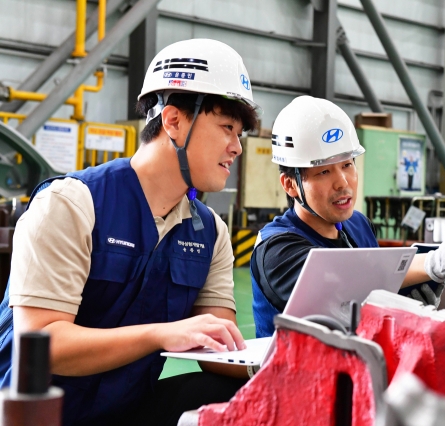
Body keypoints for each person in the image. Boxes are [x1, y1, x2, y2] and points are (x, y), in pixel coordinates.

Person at [0, 39, 260, 426]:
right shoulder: (72, 203)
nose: (236, 147)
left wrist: (297, 354)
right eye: (227, 128)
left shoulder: (211, 233)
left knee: (223, 392)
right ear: (173, 121)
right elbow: (42, 344)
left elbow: (220, 348)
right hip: (35, 412)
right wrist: (161, 334)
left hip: (123, 409)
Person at [251, 96, 445, 338]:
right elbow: (339, 287)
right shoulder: (276, 249)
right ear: (290, 184)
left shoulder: (358, 225)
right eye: (324, 171)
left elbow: (371, 295)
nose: (343, 182)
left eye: (347, 164)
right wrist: (432, 262)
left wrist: (403, 301)